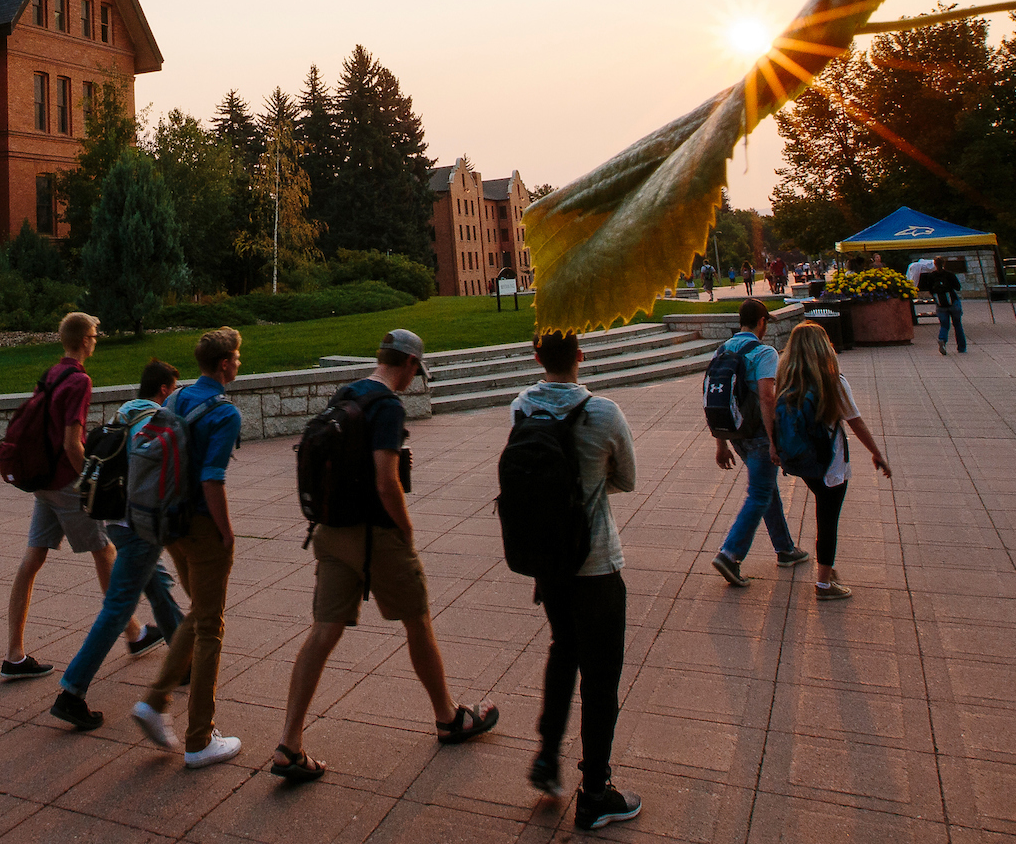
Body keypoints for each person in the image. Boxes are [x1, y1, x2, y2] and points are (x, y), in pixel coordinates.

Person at [270, 330, 497, 783]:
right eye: (416, 370)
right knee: (417, 620)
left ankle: (289, 744)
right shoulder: (388, 406)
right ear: (410, 364)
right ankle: (448, 717)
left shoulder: (347, 392)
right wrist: (405, 530)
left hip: (330, 532)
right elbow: (385, 480)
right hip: (376, 536)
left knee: (322, 633)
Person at [512, 332, 643, 830]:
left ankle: (547, 757)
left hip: (549, 562)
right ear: (581, 356)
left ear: (537, 355)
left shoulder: (521, 407)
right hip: (597, 563)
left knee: (562, 648)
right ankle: (594, 793)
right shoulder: (604, 413)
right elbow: (626, 479)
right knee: (602, 675)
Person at [2, 313, 148, 678]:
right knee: (105, 550)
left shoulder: (52, 373)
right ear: (84, 340)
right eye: (95, 336)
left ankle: (14, 656)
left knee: (32, 559)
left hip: (43, 482)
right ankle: (135, 633)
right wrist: (90, 478)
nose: (96, 340)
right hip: (65, 483)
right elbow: (71, 443)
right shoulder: (80, 380)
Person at [49, 360, 187, 731]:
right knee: (116, 609)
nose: (174, 395)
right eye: (173, 388)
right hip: (139, 525)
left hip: (114, 519)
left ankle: (184, 657)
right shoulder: (153, 419)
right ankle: (71, 692)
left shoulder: (124, 412)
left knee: (158, 586)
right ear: (163, 389)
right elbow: (153, 473)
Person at [132, 328, 248, 769]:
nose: (238, 364)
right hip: (201, 526)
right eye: (236, 358)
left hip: (169, 523)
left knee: (198, 612)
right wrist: (227, 532)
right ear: (223, 365)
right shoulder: (224, 412)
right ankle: (200, 738)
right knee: (211, 627)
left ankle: (155, 702)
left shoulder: (174, 399)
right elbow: (211, 478)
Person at [773, 322, 890, 600]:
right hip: (831, 463)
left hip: (802, 461)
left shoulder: (786, 379)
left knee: (823, 510)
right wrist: (877, 453)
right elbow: (856, 422)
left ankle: (828, 569)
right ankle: (824, 583)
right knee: (827, 520)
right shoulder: (833, 381)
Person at [708, 299, 807, 586]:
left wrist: (721, 443)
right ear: (762, 321)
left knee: (765, 489)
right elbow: (766, 397)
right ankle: (730, 554)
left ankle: (785, 549)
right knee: (759, 494)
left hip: (737, 432)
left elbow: (715, 397)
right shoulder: (765, 352)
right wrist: (775, 441)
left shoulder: (722, 349)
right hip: (760, 435)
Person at [925, 260, 965, 354]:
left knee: (944, 325)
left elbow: (930, 290)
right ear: (943, 264)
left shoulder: (931, 276)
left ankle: (942, 339)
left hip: (940, 304)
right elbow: (958, 287)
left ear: (934, 264)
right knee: (957, 325)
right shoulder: (950, 274)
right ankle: (961, 347)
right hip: (953, 301)